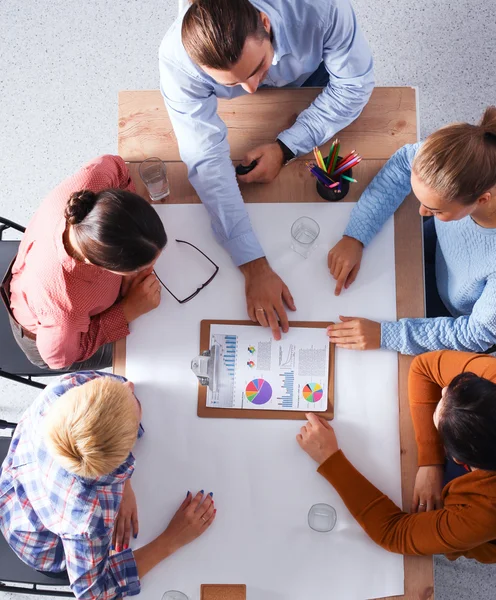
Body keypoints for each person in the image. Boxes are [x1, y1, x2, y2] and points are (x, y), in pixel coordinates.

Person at [159, 0, 374, 339]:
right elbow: (206, 160)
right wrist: (253, 266)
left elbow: (352, 87)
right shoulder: (177, 60)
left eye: (257, 67)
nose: (252, 90)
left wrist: (287, 146)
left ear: (265, 22)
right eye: (232, 83)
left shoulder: (322, 8)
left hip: (314, 73)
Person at [326, 107, 496, 354]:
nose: (422, 213)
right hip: (443, 255)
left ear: (481, 200)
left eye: (435, 209)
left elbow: (478, 335)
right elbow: (406, 161)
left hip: (452, 310)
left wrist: (386, 335)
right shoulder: (457, 159)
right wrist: (356, 235)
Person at [297, 351, 496, 563]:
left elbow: (393, 533)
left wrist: (330, 459)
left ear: (461, 462)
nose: (442, 390)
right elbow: (424, 367)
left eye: (439, 409)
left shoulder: (491, 510)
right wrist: (430, 461)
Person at [0, 371, 216, 599]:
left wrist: (123, 484)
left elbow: (121, 384)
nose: (130, 385)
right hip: (39, 544)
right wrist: (170, 540)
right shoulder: (87, 519)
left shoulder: (64, 389)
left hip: (15, 487)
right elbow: (94, 593)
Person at [4, 155, 167, 370]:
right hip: (51, 340)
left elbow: (117, 166)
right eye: (141, 267)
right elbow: (58, 359)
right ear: (101, 266)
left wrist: (132, 265)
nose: (148, 270)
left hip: (36, 276)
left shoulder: (94, 182)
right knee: (150, 351)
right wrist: (127, 311)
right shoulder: (65, 308)